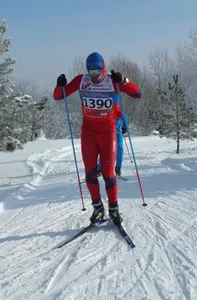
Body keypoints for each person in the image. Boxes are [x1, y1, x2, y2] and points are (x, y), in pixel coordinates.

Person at [53, 52, 141, 225]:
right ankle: (98, 208)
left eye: (97, 71)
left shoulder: (112, 80)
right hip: (89, 134)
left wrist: (123, 81)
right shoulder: (81, 80)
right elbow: (58, 96)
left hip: (108, 134)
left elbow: (137, 94)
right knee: (90, 173)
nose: (94, 75)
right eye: (91, 71)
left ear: (103, 67)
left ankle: (114, 209)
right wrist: (59, 85)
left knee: (108, 172)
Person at [97, 112, 128, 177]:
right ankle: (99, 169)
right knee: (105, 150)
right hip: (107, 132)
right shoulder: (104, 109)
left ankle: (118, 168)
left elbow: (124, 117)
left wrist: (125, 126)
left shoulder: (117, 110)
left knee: (119, 149)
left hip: (117, 132)